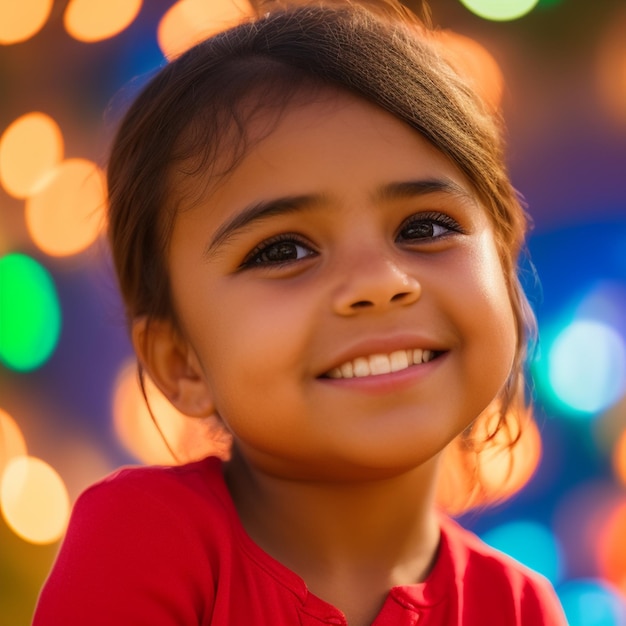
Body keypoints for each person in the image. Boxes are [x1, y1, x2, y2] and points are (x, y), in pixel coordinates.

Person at [33, 1, 568, 624]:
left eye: (424, 226)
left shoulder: (519, 607)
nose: (379, 283)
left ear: (503, 269)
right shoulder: (145, 537)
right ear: (181, 363)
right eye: (283, 249)